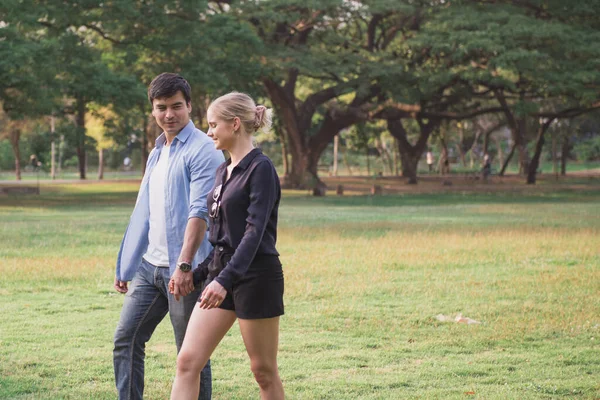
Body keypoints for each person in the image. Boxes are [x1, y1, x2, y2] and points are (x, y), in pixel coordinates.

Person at [113, 73, 224, 400]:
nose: (169, 114)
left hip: (187, 270)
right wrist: (126, 264)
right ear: (153, 110)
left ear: (190, 106)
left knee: (191, 354)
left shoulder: (204, 150)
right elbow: (143, 211)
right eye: (161, 108)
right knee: (126, 340)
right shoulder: (157, 151)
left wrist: (185, 265)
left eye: (177, 106)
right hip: (150, 269)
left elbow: (199, 213)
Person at [170, 92, 284, 400]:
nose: (208, 133)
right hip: (222, 276)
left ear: (235, 124)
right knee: (188, 361)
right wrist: (195, 275)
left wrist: (223, 280)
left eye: (213, 125)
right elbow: (221, 241)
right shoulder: (222, 171)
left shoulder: (261, 169)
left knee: (263, 371)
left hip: (256, 277)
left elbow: (254, 233)